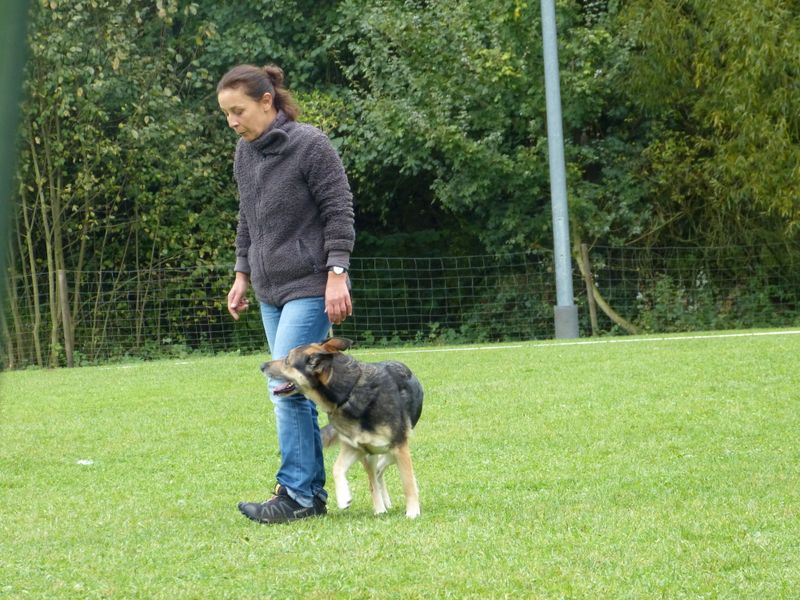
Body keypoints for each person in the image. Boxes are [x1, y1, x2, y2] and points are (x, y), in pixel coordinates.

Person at [217, 64, 355, 524]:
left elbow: (339, 210)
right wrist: (242, 273)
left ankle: (297, 494)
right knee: (295, 388)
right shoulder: (245, 153)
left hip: (310, 283)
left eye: (238, 111)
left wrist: (336, 273)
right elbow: (247, 218)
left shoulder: (310, 145)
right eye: (226, 114)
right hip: (270, 290)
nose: (232, 122)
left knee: (285, 385)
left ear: (266, 101)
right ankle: (307, 494)